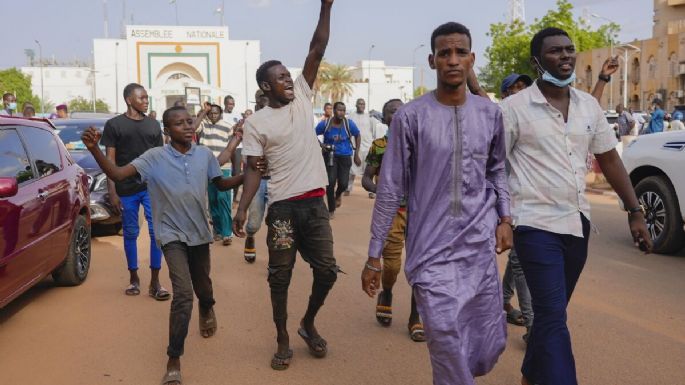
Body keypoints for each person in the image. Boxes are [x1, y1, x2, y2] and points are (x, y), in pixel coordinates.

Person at [362, 22, 513, 385]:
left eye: (460, 52)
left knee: (489, 343)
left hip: (477, 246)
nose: (453, 60)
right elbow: (389, 188)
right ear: (432, 61)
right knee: (444, 336)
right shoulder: (411, 117)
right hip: (430, 249)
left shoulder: (490, 114)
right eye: (444, 53)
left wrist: (505, 217)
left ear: (472, 59)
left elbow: (497, 171)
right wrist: (373, 254)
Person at [501, 27, 652, 385]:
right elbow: (493, 167)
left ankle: (529, 375)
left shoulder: (589, 106)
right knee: (552, 316)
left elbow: (610, 160)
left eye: (570, 50)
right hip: (534, 225)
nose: (566, 56)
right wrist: (502, 217)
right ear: (537, 62)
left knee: (553, 315)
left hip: (577, 225)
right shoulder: (513, 109)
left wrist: (635, 212)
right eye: (556, 51)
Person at [81, 106, 255, 385]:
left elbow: (221, 184)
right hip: (170, 234)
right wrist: (94, 149)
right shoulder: (154, 158)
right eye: (179, 123)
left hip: (199, 233)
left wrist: (246, 176)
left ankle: (208, 307)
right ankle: (174, 359)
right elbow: (116, 173)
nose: (187, 126)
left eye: (189, 122)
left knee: (204, 287)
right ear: (167, 130)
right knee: (184, 294)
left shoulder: (204, 155)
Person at [233, 0, 338, 371]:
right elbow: (252, 169)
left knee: (326, 271)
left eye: (288, 76)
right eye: (281, 78)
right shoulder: (256, 124)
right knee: (280, 276)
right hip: (281, 209)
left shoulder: (303, 98)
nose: (288, 80)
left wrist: (326, 7)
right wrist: (243, 207)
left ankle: (308, 323)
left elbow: (317, 48)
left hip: (314, 205)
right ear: (266, 86)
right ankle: (282, 337)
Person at [361, 98, 425, 342]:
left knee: (421, 266)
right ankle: (386, 292)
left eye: (401, 111)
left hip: (421, 212)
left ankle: (415, 316)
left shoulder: (422, 144)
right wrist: (383, 192)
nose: (397, 115)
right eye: (391, 112)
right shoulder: (379, 146)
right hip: (393, 213)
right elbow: (367, 178)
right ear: (385, 119)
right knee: (392, 266)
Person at [100, 83, 169, 300]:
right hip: (126, 188)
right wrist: (112, 192)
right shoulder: (114, 125)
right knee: (130, 233)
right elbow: (110, 161)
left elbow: (160, 157)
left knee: (156, 233)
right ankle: (134, 278)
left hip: (151, 187)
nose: (146, 101)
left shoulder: (153, 125)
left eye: (147, 98)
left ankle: (156, 282)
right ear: (129, 100)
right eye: (142, 98)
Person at [498, 73, 535, 338]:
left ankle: (502, 298)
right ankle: (532, 324)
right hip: (508, 201)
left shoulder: (536, 119)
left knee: (517, 257)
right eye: (514, 89)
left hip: (534, 200)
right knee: (521, 260)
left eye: (524, 87)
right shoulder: (500, 117)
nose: (520, 92)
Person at [194, 102, 235, 246]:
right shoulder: (203, 124)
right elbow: (193, 127)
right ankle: (217, 230)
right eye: (211, 113)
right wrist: (204, 112)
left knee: (223, 199)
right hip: (206, 168)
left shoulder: (227, 126)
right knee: (213, 200)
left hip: (224, 167)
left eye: (216, 113)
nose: (213, 115)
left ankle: (227, 233)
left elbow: (232, 147)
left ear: (221, 114)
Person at [315, 102, 361, 217]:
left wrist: (356, 154)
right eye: (339, 110)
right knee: (330, 183)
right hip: (330, 156)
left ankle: (338, 194)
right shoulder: (325, 124)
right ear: (334, 111)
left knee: (344, 184)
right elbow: (312, 133)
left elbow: (358, 135)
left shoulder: (348, 124)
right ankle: (331, 209)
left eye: (343, 110)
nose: (341, 113)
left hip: (345, 156)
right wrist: (321, 145)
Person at [243, 90, 271, 263]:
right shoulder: (251, 123)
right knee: (254, 223)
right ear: (257, 103)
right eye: (262, 102)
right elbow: (250, 159)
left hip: (279, 180)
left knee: (277, 223)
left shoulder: (282, 121)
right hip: (257, 180)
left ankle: (275, 259)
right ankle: (250, 236)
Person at [223, 95, 243, 203]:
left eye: (233, 104)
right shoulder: (221, 115)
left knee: (236, 172)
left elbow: (241, 129)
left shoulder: (237, 115)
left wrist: (239, 127)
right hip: (225, 146)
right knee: (223, 170)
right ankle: (225, 195)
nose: (231, 106)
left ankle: (235, 196)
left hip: (237, 147)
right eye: (229, 104)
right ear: (225, 104)